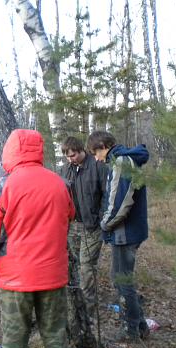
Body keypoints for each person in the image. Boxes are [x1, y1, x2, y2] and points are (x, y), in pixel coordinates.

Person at [0, 129, 76, 348]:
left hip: (15, 281)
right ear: (39, 150)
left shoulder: (1, 187)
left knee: (15, 343)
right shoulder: (60, 183)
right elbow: (71, 215)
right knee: (56, 339)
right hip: (53, 276)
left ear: (10, 151)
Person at [86, 130, 150, 341]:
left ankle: (131, 331)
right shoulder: (123, 159)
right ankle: (140, 326)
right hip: (129, 231)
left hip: (125, 232)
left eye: (96, 152)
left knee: (123, 281)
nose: (96, 158)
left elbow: (120, 203)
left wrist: (104, 225)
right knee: (123, 279)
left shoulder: (121, 161)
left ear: (103, 146)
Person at [60, 136, 107, 321]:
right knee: (74, 266)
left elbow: (107, 194)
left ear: (81, 151)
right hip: (72, 226)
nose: (71, 159)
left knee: (87, 267)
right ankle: (75, 309)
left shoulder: (97, 167)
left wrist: (102, 219)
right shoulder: (64, 171)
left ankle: (89, 314)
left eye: (73, 155)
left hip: (92, 226)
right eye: (67, 156)